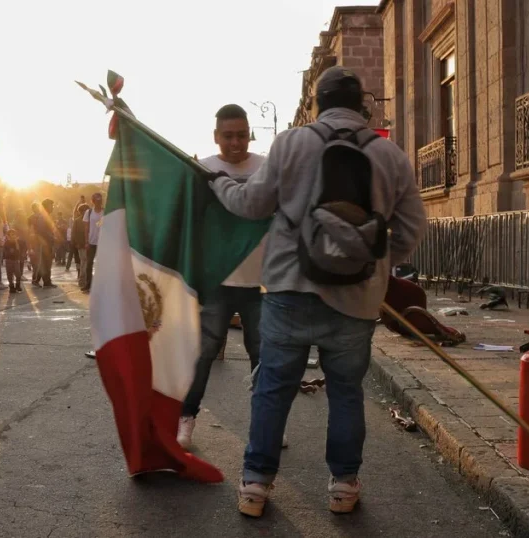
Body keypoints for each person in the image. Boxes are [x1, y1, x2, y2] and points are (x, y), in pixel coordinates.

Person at [209, 66, 427, 517]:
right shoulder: (391, 156)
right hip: (357, 299)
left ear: (317, 105)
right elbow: (410, 231)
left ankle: (255, 486)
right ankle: (344, 487)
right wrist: (376, 264)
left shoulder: (291, 143)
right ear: (362, 107)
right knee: (346, 392)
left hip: (290, 289)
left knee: (272, 388)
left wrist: (219, 183)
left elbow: (252, 205)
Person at [177, 104, 269, 450]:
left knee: (263, 355)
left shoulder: (266, 167)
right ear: (216, 137)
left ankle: (265, 424)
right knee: (203, 353)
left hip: (260, 281)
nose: (236, 143)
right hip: (216, 281)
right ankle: (186, 419)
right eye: (228, 136)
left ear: (250, 134)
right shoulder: (201, 170)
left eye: (242, 135)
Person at [80, 193, 103, 293]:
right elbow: (86, 228)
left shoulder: (105, 212)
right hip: (91, 242)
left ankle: (101, 285)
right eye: (96, 201)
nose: (98, 203)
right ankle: (87, 285)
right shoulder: (89, 212)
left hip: (103, 242)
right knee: (89, 264)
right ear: (92, 201)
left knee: (102, 265)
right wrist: (86, 241)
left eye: (100, 201)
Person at [2, 228, 24, 293]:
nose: (13, 236)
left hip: (16, 260)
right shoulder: (6, 243)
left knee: (18, 274)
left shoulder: (17, 242)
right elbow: (6, 252)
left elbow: (18, 250)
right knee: (9, 274)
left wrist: (16, 242)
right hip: (9, 260)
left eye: (14, 235)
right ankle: (11, 286)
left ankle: (18, 285)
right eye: (11, 235)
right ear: (8, 236)